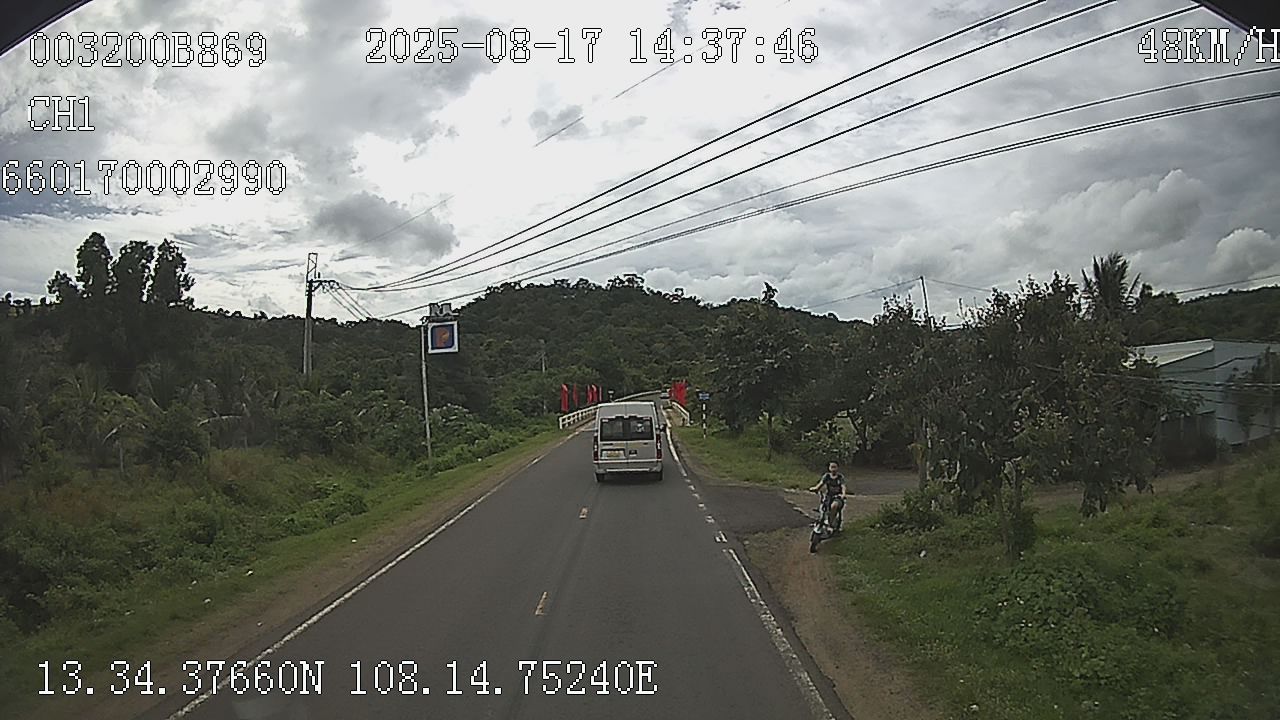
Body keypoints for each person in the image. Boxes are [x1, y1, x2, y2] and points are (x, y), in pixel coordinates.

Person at [809, 461, 847, 531]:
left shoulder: (840, 477)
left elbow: (843, 486)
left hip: (838, 497)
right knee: (823, 508)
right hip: (828, 496)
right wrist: (815, 489)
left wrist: (843, 494)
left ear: (837, 468)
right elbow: (821, 484)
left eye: (835, 467)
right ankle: (821, 521)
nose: (833, 469)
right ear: (829, 468)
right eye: (832, 467)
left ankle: (830, 524)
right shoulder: (826, 476)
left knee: (834, 506)